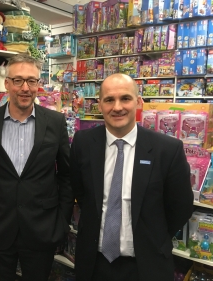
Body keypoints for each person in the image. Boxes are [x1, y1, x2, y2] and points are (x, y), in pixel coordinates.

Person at [70, 73, 193, 281]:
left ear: (138, 102)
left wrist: (152, 237)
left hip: (146, 266)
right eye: (109, 100)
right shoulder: (83, 143)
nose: (117, 107)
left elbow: (180, 207)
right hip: (93, 264)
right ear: (99, 105)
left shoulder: (167, 149)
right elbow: (81, 194)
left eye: (125, 98)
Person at [0, 53, 74, 281]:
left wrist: (61, 223)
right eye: (18, 80)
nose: (25, 88)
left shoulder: (56, 122)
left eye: (32, 81)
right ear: (6, 83)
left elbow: (66, 176)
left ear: (39, 84)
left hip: (41, 229)